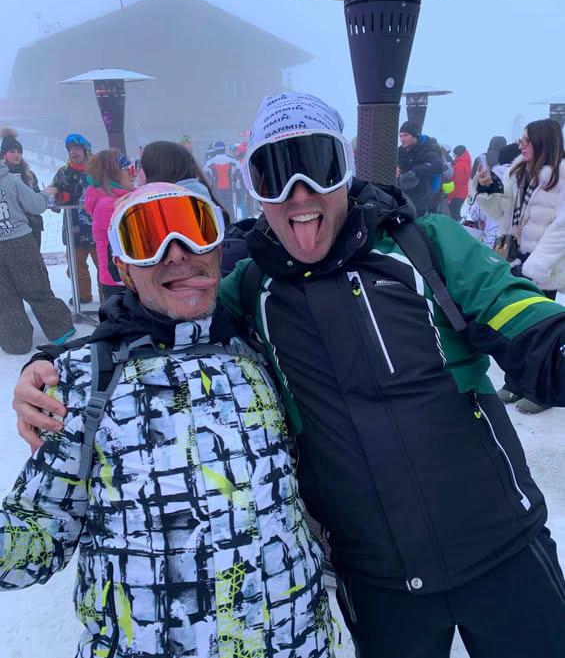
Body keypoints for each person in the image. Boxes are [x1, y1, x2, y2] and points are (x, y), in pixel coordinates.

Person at [13, 92, 565, 658]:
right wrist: (56, 362)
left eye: (317, 166)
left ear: (345, 171)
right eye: (274, 175)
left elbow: (529, 324)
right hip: (381, 583)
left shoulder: (426, 249)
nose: (298, 193)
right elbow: (161, 316)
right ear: (255, 190)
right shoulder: (252, 289)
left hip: (504, 552)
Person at [1, 181, 334, 658]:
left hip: (294, 642)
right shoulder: (84, 379)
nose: (176, 253)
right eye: (147, 240)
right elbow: (40, 527)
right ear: (124, 269)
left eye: (193, 233)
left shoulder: (264, 352)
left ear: (217, 251)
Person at [474, 118, 565, 414]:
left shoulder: (562, 176)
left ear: (542, 142)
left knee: (541, 333)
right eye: (520, 140)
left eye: (526, 140)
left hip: (544, 267)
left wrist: (538, 264)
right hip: (515, 259)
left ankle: (541, 391)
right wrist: (487, 188)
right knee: (513, 325)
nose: (520, 145)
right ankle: (515, 382)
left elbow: (562, 227)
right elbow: (502, 212)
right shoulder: (519, 172)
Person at [0, 155, 74, 354]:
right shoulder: (10, 180)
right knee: (36, 287)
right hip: (19, 242)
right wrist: (45, 194)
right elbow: (36, 206)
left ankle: (16, 342)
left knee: (5, 297)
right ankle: (60, 329)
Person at [51, 133, 99, 304]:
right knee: (76, 267)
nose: (74, 152)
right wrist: (58, 198)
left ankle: (109, 297)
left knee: (104, 266)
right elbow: (53, 195)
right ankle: (83, 297)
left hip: (97, 228)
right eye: (71, 149)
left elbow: (112, 190)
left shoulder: (98, 170)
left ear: (86, 150)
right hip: (74, 228)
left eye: (77, 148)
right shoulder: (63, 172)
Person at [84, 149, 135, 302]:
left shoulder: (117, 199)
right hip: (119, 279)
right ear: (113, 174)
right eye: (128, 169)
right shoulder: (109, 205)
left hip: (124, 275)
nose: (133, 174)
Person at [461, 143, 519, 246]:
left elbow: (475, 214)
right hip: (517, 244)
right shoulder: (527, 181)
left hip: (492, 242)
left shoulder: (490, 179)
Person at [0, 128, 44, 246]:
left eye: (19, 152)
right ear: (4, 154)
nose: (17, 155)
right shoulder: (2, 177)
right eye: (12, 151)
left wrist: (44, 196)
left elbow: (37, 198)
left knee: (34, 258)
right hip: (9, 230)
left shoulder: (29, 175)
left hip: (33, 226)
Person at [397, 120, 444, 215]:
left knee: (414, 220)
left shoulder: (426, 149)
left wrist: (415, 170)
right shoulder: (402, 149)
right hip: (403, 193)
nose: (402, 139)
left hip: (420, 197)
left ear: (415, 136)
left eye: (405, 135)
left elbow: (437, 165)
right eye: (400, 136)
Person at [204, 141, 240, 218]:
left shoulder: (212, 161)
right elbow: (238, 166)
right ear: (224, 149)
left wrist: (210, 178)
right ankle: (232, 221)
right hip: (229, 186)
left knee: (220, 206)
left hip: (217, 187)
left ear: (215, 150)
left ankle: (223, 221)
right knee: (230, 206)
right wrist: (235, 176)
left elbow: (205, 169)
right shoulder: (230, 159)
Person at [448, 145, 472, 219]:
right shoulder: (466, 163)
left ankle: (456, 225)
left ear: (458, 154)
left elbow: (456, 183)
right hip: (462, 193)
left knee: (453, 215)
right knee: (456, 213)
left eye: (454, 154)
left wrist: (450, 197)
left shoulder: (460, 166)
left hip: (457, 194)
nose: (454, 156)